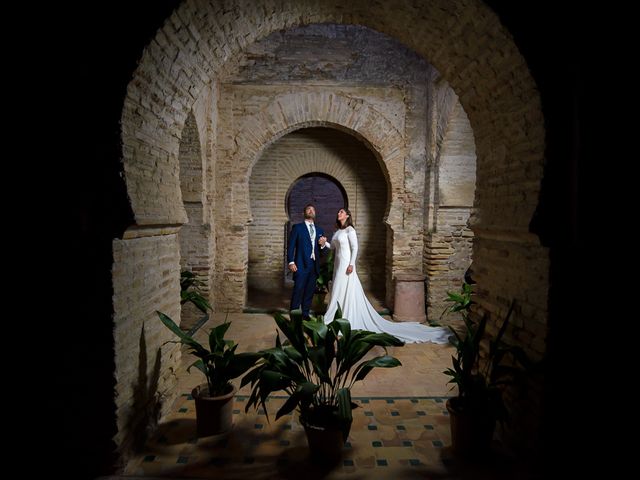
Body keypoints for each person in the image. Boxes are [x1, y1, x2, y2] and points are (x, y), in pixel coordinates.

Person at [323, 208, 451, 344]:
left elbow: (355, 248)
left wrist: (351, 264)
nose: (339, 213)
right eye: (338, 212)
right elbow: (332, 247)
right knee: (337, 290)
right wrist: (324, 243)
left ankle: (342, 317)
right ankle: (336, 315)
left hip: (346, 266)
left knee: (343, 290)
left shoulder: (350, 230)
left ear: (347, 215)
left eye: (341, 212)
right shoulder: (338, 231)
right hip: (338, 266)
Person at [288, 204, 328, 319]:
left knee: (309, 293)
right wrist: (291, 262)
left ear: (315, 213)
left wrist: (322, 245)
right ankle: (294, 317)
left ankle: (305, 315)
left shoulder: (320, 230)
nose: (311, 211)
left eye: (313, 209)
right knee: (298, 291)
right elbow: (291, 246)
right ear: (304, 213)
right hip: (300, 265)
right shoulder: (297, 228)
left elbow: (322, 253)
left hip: (313, 266)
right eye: (308, 209)